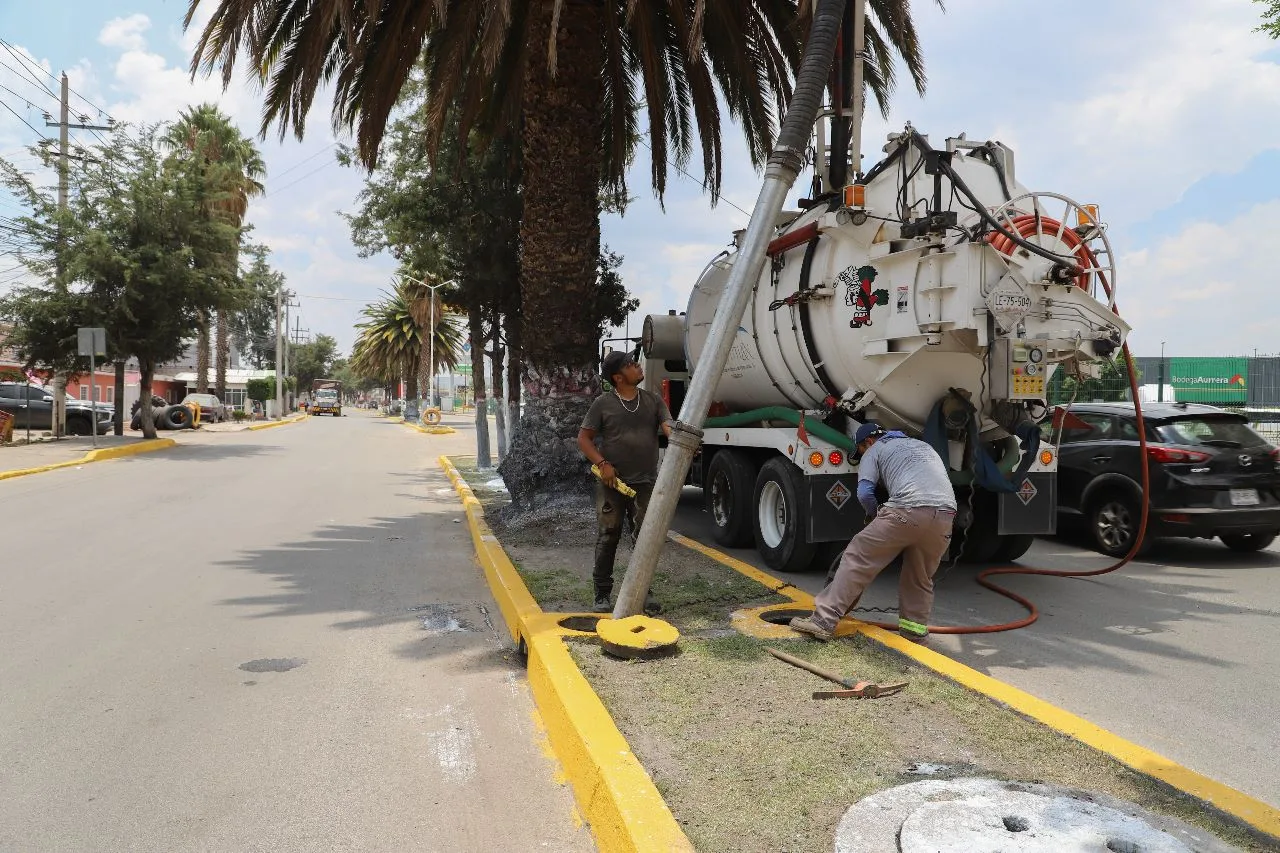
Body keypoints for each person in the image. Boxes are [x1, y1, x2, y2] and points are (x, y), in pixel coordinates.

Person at [790, 421, 957, 643]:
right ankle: (914, 633)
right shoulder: (923, 446)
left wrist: (874, 514)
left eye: (860, 450)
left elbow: (865, 493)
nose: (862, 455)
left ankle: (823, 621)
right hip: (945, 516)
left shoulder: (875, 449)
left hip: (907, 509)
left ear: (867, 441)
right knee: (919, 576)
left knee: (857, 557)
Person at [577, 350, 673, 613]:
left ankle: (644, 593)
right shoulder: (603, 404)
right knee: (609, 536)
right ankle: (602, 594)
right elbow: (584, 439)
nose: (638, 366)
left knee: (645, 539)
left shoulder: (653, 401)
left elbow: (668, 426)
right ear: (618, 377)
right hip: (613, 484)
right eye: (631, 365)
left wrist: (680, 440)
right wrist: (602, 464)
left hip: (645, 483)